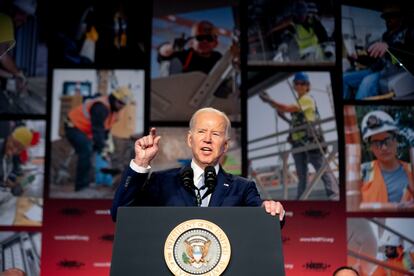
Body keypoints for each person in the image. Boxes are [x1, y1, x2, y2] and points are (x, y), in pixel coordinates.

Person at [111, 107, 285, 222]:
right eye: (201, 132)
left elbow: (265, 220)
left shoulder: (243, 188)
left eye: (215, 134)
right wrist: (141, 163)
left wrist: (271, 210)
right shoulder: (162, 181)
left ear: (225, 145)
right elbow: (120, 213)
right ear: (189, 139)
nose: (207, 139)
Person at [259, 72, 339, 200]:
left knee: (322, 169)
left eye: (303, 83)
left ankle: (334, 196)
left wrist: (270, 101)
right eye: (297, 83)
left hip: (310, 142)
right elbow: (290, 116)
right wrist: (273, 104)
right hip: (298, 143)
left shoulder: (307, 99)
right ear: (295, 86)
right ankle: (301, 199)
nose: (299, 86)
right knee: (303, 175)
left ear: (307, 86)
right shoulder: (300, 102)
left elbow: (286, 108)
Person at [64, 86, 131, 192]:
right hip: (73, 126)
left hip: (85, 130)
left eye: (124, 104)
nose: (121, 106)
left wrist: (104, 146)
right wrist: (102, 147)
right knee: (86, 150)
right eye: (120, 103)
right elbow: (97, 129)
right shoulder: (101, 107)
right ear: (114, 98)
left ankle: (91, 180)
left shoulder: (114, 111)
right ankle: (81, 187)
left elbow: (105, 130)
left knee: (93, 150)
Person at [343, 5, 414, 100]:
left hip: (392, 73)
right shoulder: (386, 35)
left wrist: (389, 48)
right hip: (376, 69)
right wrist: (358, 58)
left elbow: (404, 58)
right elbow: (375, 58)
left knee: (367, 82)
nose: (388, 20)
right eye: (386, 18)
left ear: (400, 17)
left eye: (391, 16)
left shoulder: (409, 33)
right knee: (344, 77)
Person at [360, 110, 414, 204]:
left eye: (387, 140)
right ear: (371, 147)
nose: (384, 148)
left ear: (396, 140)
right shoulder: (362, 172)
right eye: (377, 143)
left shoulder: (411, 170)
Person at [157, 20, 223, 76]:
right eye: (200, 38)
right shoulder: (184, 56)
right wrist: (173, 47)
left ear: (215, 43)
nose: (204, 41)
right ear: (191, 42)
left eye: (209, 38)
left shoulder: (218, 57)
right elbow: (163, 53)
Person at [0, 0, 37, 93]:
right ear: (12, 9)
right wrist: (19, 74)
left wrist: (12, 76)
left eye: (27, 17)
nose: (24, 20)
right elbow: (3, 56)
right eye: (23, 14)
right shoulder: (5, 20)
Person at [0, 123, 34, 200]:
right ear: (9, 137)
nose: (15, 150)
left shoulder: (8, 155)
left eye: (20, 149)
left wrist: (13, 186)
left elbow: (2, 177)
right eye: (14, 144)